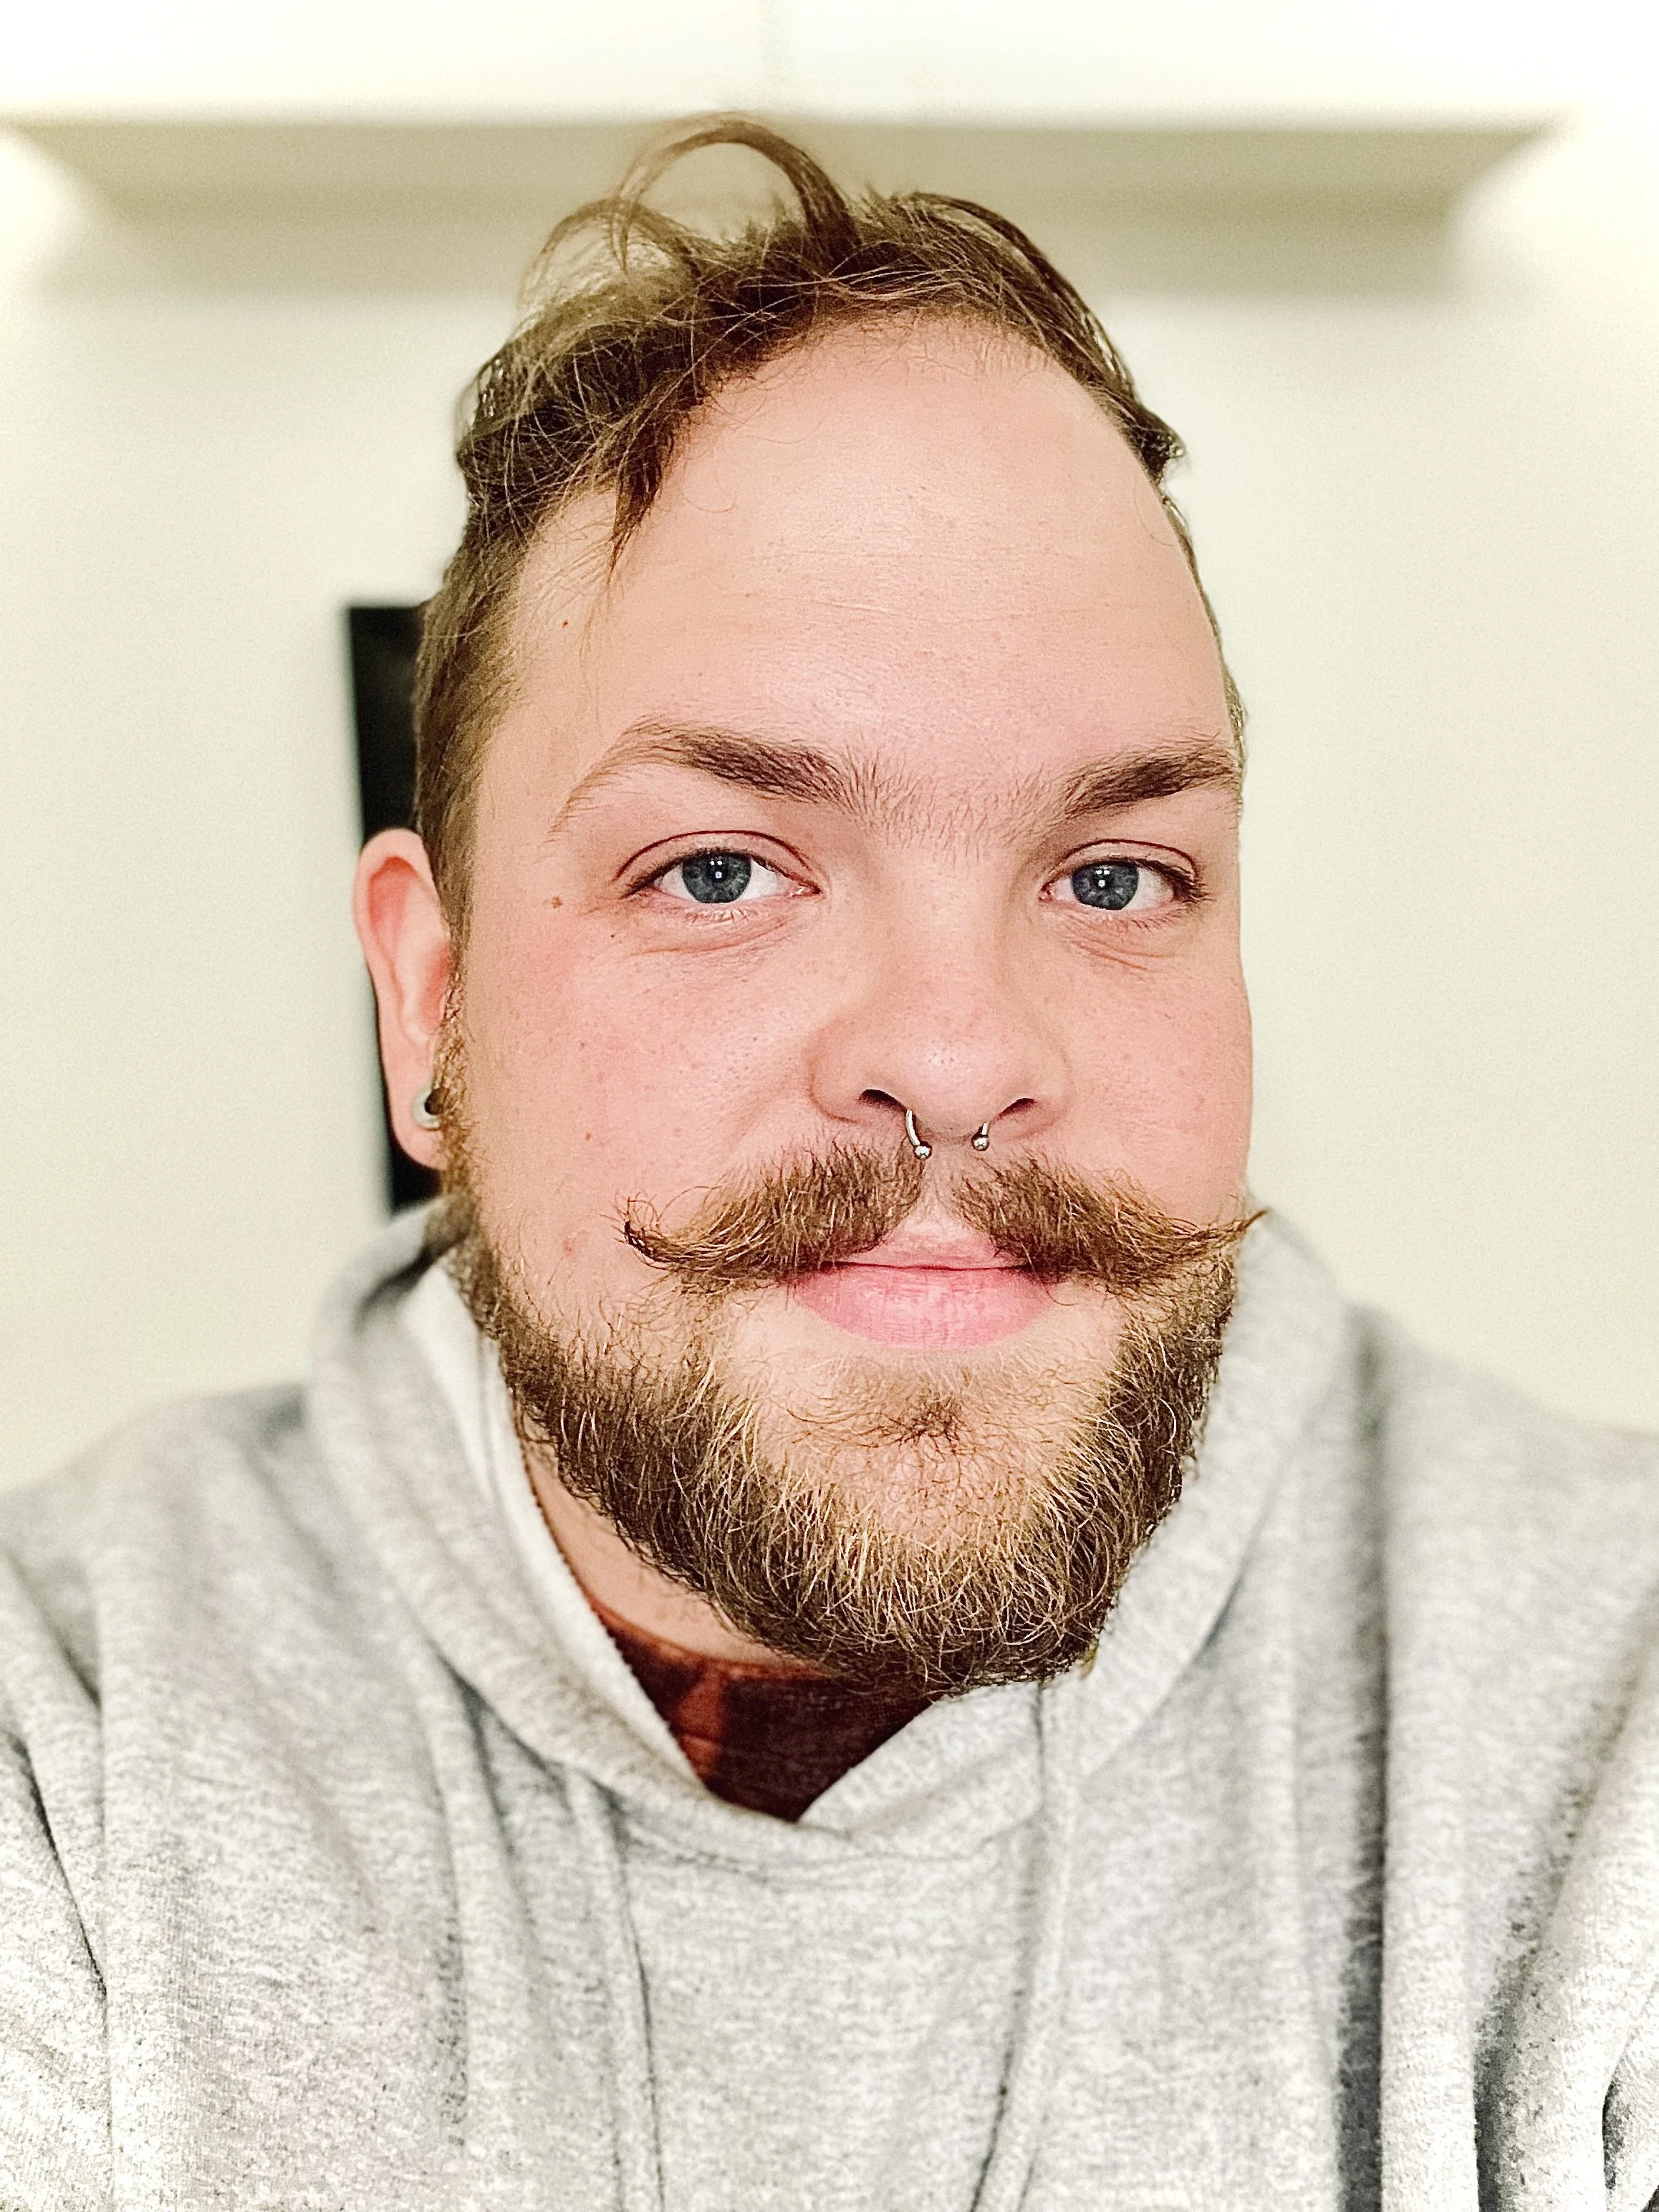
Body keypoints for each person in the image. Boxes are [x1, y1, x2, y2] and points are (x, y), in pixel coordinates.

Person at [3, 117, 1656, 2212]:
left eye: (1116, 872)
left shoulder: (1609, 1713)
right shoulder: (69, 1756)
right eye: (719, 867)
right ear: (429, 1004)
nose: (957, 1054)